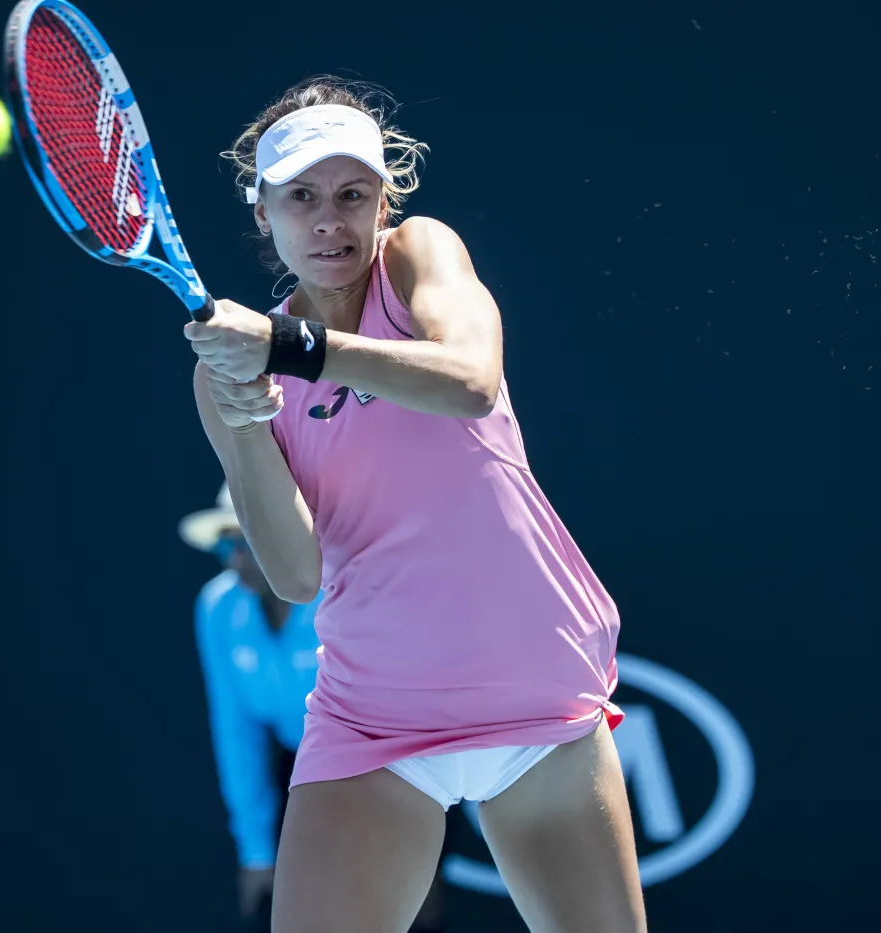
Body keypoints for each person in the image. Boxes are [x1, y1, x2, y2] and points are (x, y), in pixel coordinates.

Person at [183, 76, 647, 933]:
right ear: (264, 213)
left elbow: (470, 382)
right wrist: (248, 422)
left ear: (384, 201)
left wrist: (291, 346)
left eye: (353, 194)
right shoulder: (228, 378)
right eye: (303, 197)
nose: (330, 220)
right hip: (372, 716)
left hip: (536, 695)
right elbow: (293, 571)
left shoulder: (418, 255)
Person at [181, 483, 449, 932]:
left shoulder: (346, 586)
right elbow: (235, 732)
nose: (235, 559)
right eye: (228, 544)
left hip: (392, 763)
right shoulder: (217, 608)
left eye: (245, 541)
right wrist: (257, 850)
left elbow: (402, 702)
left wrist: (408, 818)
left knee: (413, 910)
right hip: (303, 770)